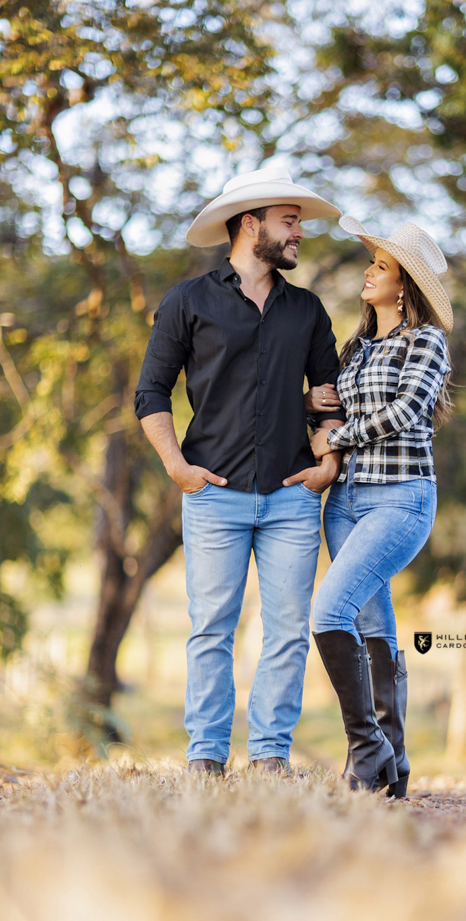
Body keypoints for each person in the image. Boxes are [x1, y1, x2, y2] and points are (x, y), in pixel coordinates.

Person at [134, 166, 345, 776]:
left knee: (285, 632)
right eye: (289, 221)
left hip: (291, 495)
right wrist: (177, 468)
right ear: (250, 225)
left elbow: (329, 399)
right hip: (213, 495)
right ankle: (204, 757)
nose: (299, 232)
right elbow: (151, 393)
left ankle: (270, 757)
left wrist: (327, 465)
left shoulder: (305, 310)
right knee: (211, 631)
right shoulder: (188, 301)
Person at [286, 216, 453, 798]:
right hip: (346, 501)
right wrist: (313, 407)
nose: (369, 271)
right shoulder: (357, 347)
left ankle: (366, 748)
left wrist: (335, 438)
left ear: (404, 283)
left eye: (380, 266)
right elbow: (335, 410)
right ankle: (395, 764)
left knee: (328, 613)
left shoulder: (426, 342)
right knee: (372, 623)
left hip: (401, 500)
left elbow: (407, 413)